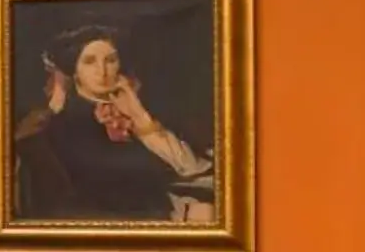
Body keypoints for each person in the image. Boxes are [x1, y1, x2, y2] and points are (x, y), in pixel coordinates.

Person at [11, 23, 217, 224]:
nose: (102, 71)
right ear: (74, 69)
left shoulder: (140, 108)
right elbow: (80, 199)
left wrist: (139, 115)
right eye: (89, 61)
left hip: (167, 209)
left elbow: (191, 167)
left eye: (110, 60)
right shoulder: (63, 125)